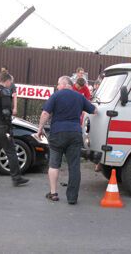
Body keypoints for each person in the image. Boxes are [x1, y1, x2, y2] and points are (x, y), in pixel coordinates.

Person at [37, 76, 96, 204]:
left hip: (57, 133)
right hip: (74, 134)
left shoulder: (56, 96)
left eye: (58, 84)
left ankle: (53, 193)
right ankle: (72, 197)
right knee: (74, 166)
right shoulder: (79, 97)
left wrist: (40, 128)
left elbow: (45, 113)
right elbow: (94, 110)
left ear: (64, 84)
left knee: (54, 164)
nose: (57, 87)